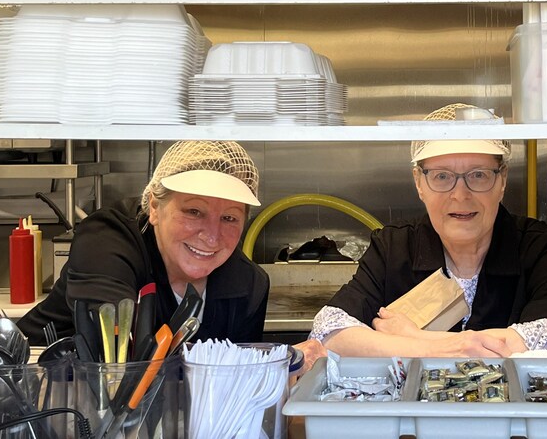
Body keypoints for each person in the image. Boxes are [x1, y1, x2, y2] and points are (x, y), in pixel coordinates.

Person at [18, 140, 326, 369]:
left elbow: (225, 393)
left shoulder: (247, 285)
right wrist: (271, 362)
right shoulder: (108, 239)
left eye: (230, 217)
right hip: (36, 392)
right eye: (194, 211)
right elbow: (117, 354)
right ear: (154, 207)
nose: (211, 235)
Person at [309, 103, 547, 358]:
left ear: (502, 180)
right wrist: (442, 349)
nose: (460, 195)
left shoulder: (543, 248)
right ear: (419, 183)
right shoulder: (394, 247)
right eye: (442, 176)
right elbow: (330, 334)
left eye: (478, 175)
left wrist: (409, 337)